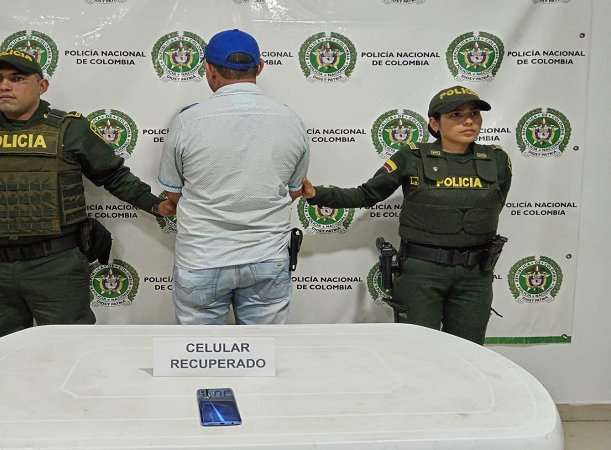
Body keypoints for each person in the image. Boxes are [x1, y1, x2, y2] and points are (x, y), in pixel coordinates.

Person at [0, 50, 175, 345]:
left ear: (42, 86)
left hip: (55, 266)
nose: (4, 86)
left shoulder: (69, 129)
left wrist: (155, 204)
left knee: (70, 351)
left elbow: (112, 175)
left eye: (17, 79)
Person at [299, 86, 512, 345]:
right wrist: (315, 193)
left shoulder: (497, 160)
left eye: (475, 113)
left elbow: (494, 207)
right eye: (456, 115)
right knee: (417, 350)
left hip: (475, 276)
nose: (469, 121)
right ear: (435, 123)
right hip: (422, 273)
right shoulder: (411, 157)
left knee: (469, 352)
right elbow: (366, 194)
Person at [157, 29, 310, 325]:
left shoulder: (187, 121)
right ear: (260, 66)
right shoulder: (291, 121)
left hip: (202, 259)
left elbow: (173, 194)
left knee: (199, 360)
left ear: (209, 69)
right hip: (268, 258)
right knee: (261, 360)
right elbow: (293, 190)